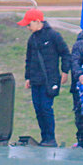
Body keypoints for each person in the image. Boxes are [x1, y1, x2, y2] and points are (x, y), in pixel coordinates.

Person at [20, 8, 72, 147]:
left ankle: (50, 138)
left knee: (46, 108)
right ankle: (44, 137)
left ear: (38, 22)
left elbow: (66, 54)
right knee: (38, 109)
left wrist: (65, 71)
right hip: (35, 80)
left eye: (29, 24)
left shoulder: (54, 36)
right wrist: (28, 77)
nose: (27, 27)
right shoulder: (32, 39)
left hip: (50, 80)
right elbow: (29, 59)